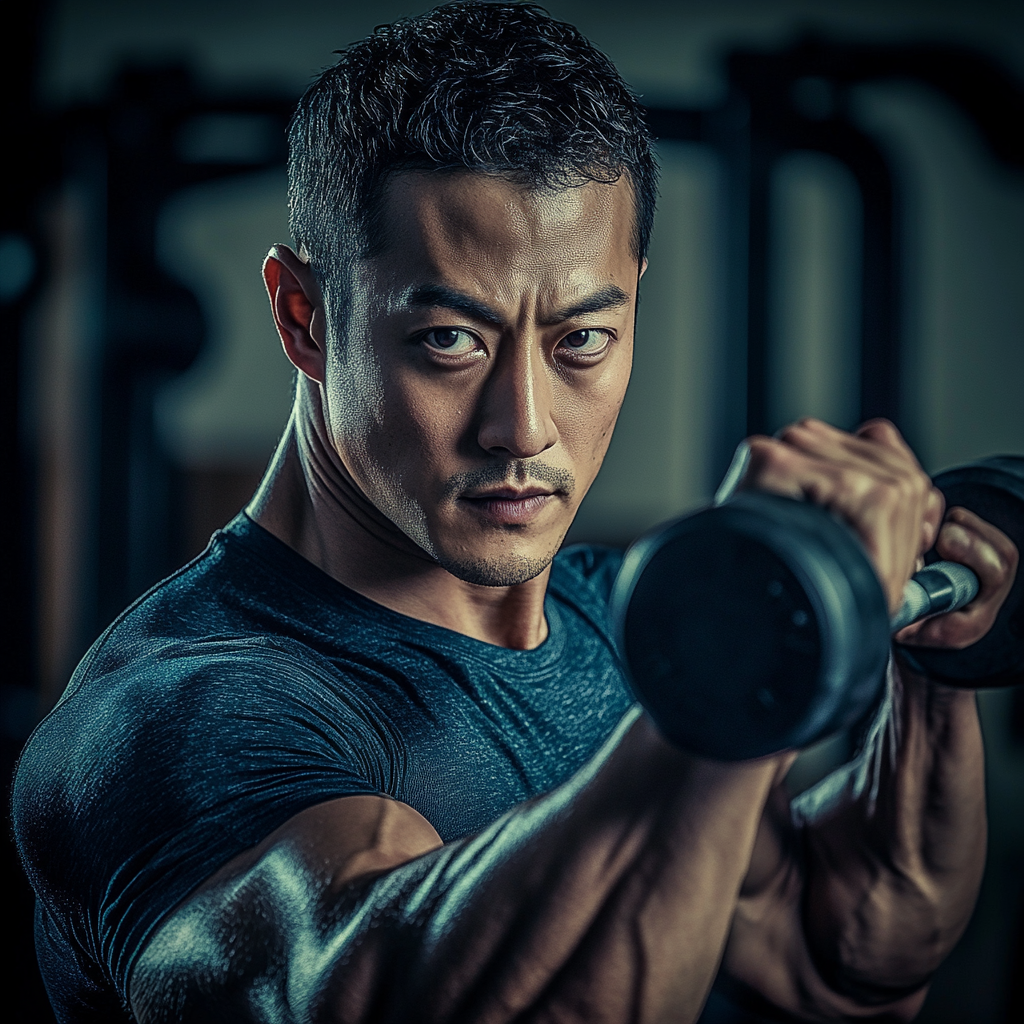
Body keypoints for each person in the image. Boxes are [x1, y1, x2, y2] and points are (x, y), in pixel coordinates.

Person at [13, 4, 1018, 1022]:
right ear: (303, 318)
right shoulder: (182, 717)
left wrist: (932, 668)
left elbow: (842, 956)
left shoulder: (616, 628)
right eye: (451, 339)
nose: (523, 426)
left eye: (580, 338)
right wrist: (731, 679)